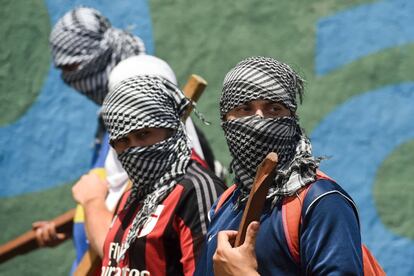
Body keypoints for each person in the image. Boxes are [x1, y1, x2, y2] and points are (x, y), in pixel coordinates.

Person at [195, 56, 363, 275]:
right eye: (245, 108)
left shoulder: (320, 202)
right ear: (226, 120)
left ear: (292, 118)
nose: (259, 120)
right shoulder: (225, 205)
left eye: (273, 109)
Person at [98, 74, 226, 275]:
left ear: (170, 128)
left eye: (143, 134)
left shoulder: (195, 189)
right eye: (123, 140)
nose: (135, 149)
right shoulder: (131, 196)